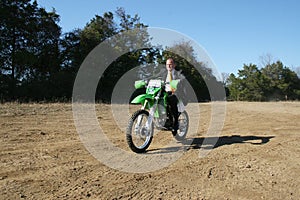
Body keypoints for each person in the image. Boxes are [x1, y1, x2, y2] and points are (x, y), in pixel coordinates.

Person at [164, 58, 186, 134]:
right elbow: (154, 76)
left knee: (171, 100)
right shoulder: (163, 73)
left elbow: (183, 78)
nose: (169, 65)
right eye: (167, 64)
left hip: (176, 93)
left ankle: (175, 124)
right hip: (165, 92)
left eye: (171, 64)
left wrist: (179, 81)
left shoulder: (179, 72)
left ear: (174, 65)